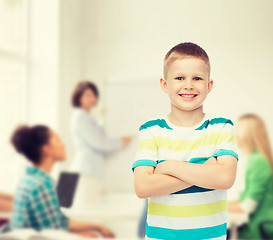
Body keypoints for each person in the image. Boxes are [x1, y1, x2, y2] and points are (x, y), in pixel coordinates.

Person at [132, 42, 238, 240]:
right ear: (165, 84)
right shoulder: (150, 130)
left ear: (209, 85)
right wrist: (204, 170)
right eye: (180, 77)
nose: (188, 85)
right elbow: (143, 187)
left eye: (197, 78)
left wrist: (167, 166)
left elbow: (224, 179)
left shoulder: (221, 127)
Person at [10, 125, 114, 238]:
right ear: (47, 149)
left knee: (92, 235)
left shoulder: (29, 179)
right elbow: (52, 234)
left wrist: (97, 226)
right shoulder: (42, 185)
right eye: (57, 140)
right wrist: (84, 236)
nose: (63, 144)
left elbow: (60, 222)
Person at [70, 81, 132, 205]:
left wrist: (102, 118)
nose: (93, 98)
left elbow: (97, 135)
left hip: (90, 171)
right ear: (79, 97)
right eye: (88, 95)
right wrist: (121, 141)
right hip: (86, 171)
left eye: (94, 95)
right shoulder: (80, 117)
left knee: (92, 209)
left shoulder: (86, 117)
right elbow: (98, 142)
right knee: (88, 211)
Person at [228, 114, 273, 239]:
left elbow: (247, 206)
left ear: (248, 135)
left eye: (237, 131)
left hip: (259, 230)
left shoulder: (258, 161)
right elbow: (244, 199)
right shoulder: (253, 159)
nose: (235, 136)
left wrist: (216, 207)